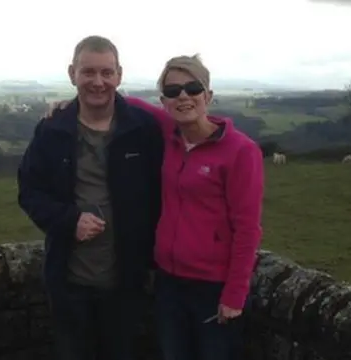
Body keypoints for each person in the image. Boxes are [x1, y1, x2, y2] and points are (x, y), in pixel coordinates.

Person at [46, 54, 264, 360]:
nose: (184, 97)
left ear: (209, 95)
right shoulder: (167, 133)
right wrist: (69, 106)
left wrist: (235, 294)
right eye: (173, 91)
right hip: (168, 284)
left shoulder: (240, 151)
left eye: (193, 88)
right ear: (164, 101)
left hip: (212, 288)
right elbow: (123, 102)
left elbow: (248, 228)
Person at [17, 35, 164, 360]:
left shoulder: (144, 129)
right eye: (88, 72)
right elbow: (29, 191)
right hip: (69, 285)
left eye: (106, 73)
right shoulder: (52, 130)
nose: (98, 82)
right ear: (73, 74)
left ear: (119, 75)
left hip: (126, 284)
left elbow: (163, 191)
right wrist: (69, 221)